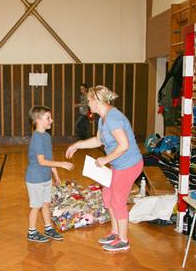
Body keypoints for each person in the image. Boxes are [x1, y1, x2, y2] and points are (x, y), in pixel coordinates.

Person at [65, 85, 143, 252]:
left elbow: (124, 145)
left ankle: (123, 240)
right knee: (108, 196)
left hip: (129, 165)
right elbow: (98, 141)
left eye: (89, 101)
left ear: (96, 100)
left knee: (118, 201)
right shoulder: (102, 118)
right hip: (118, 165)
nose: (87, 104)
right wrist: (77, 145)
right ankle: (115, 233)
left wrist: (105, 159)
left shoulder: (113, 118)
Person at [26, 106, 74, 242]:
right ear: (37, 120)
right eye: (48, 118)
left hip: (45, 177)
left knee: (46, 204)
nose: (51, 120)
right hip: (35, 179)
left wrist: (56, 175)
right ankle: (32, 232)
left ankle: (48, 228)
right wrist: (62, 164)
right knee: (36, 206)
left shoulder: (46, 136)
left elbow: (49, 157)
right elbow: (41, 161)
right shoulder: (37, 138)